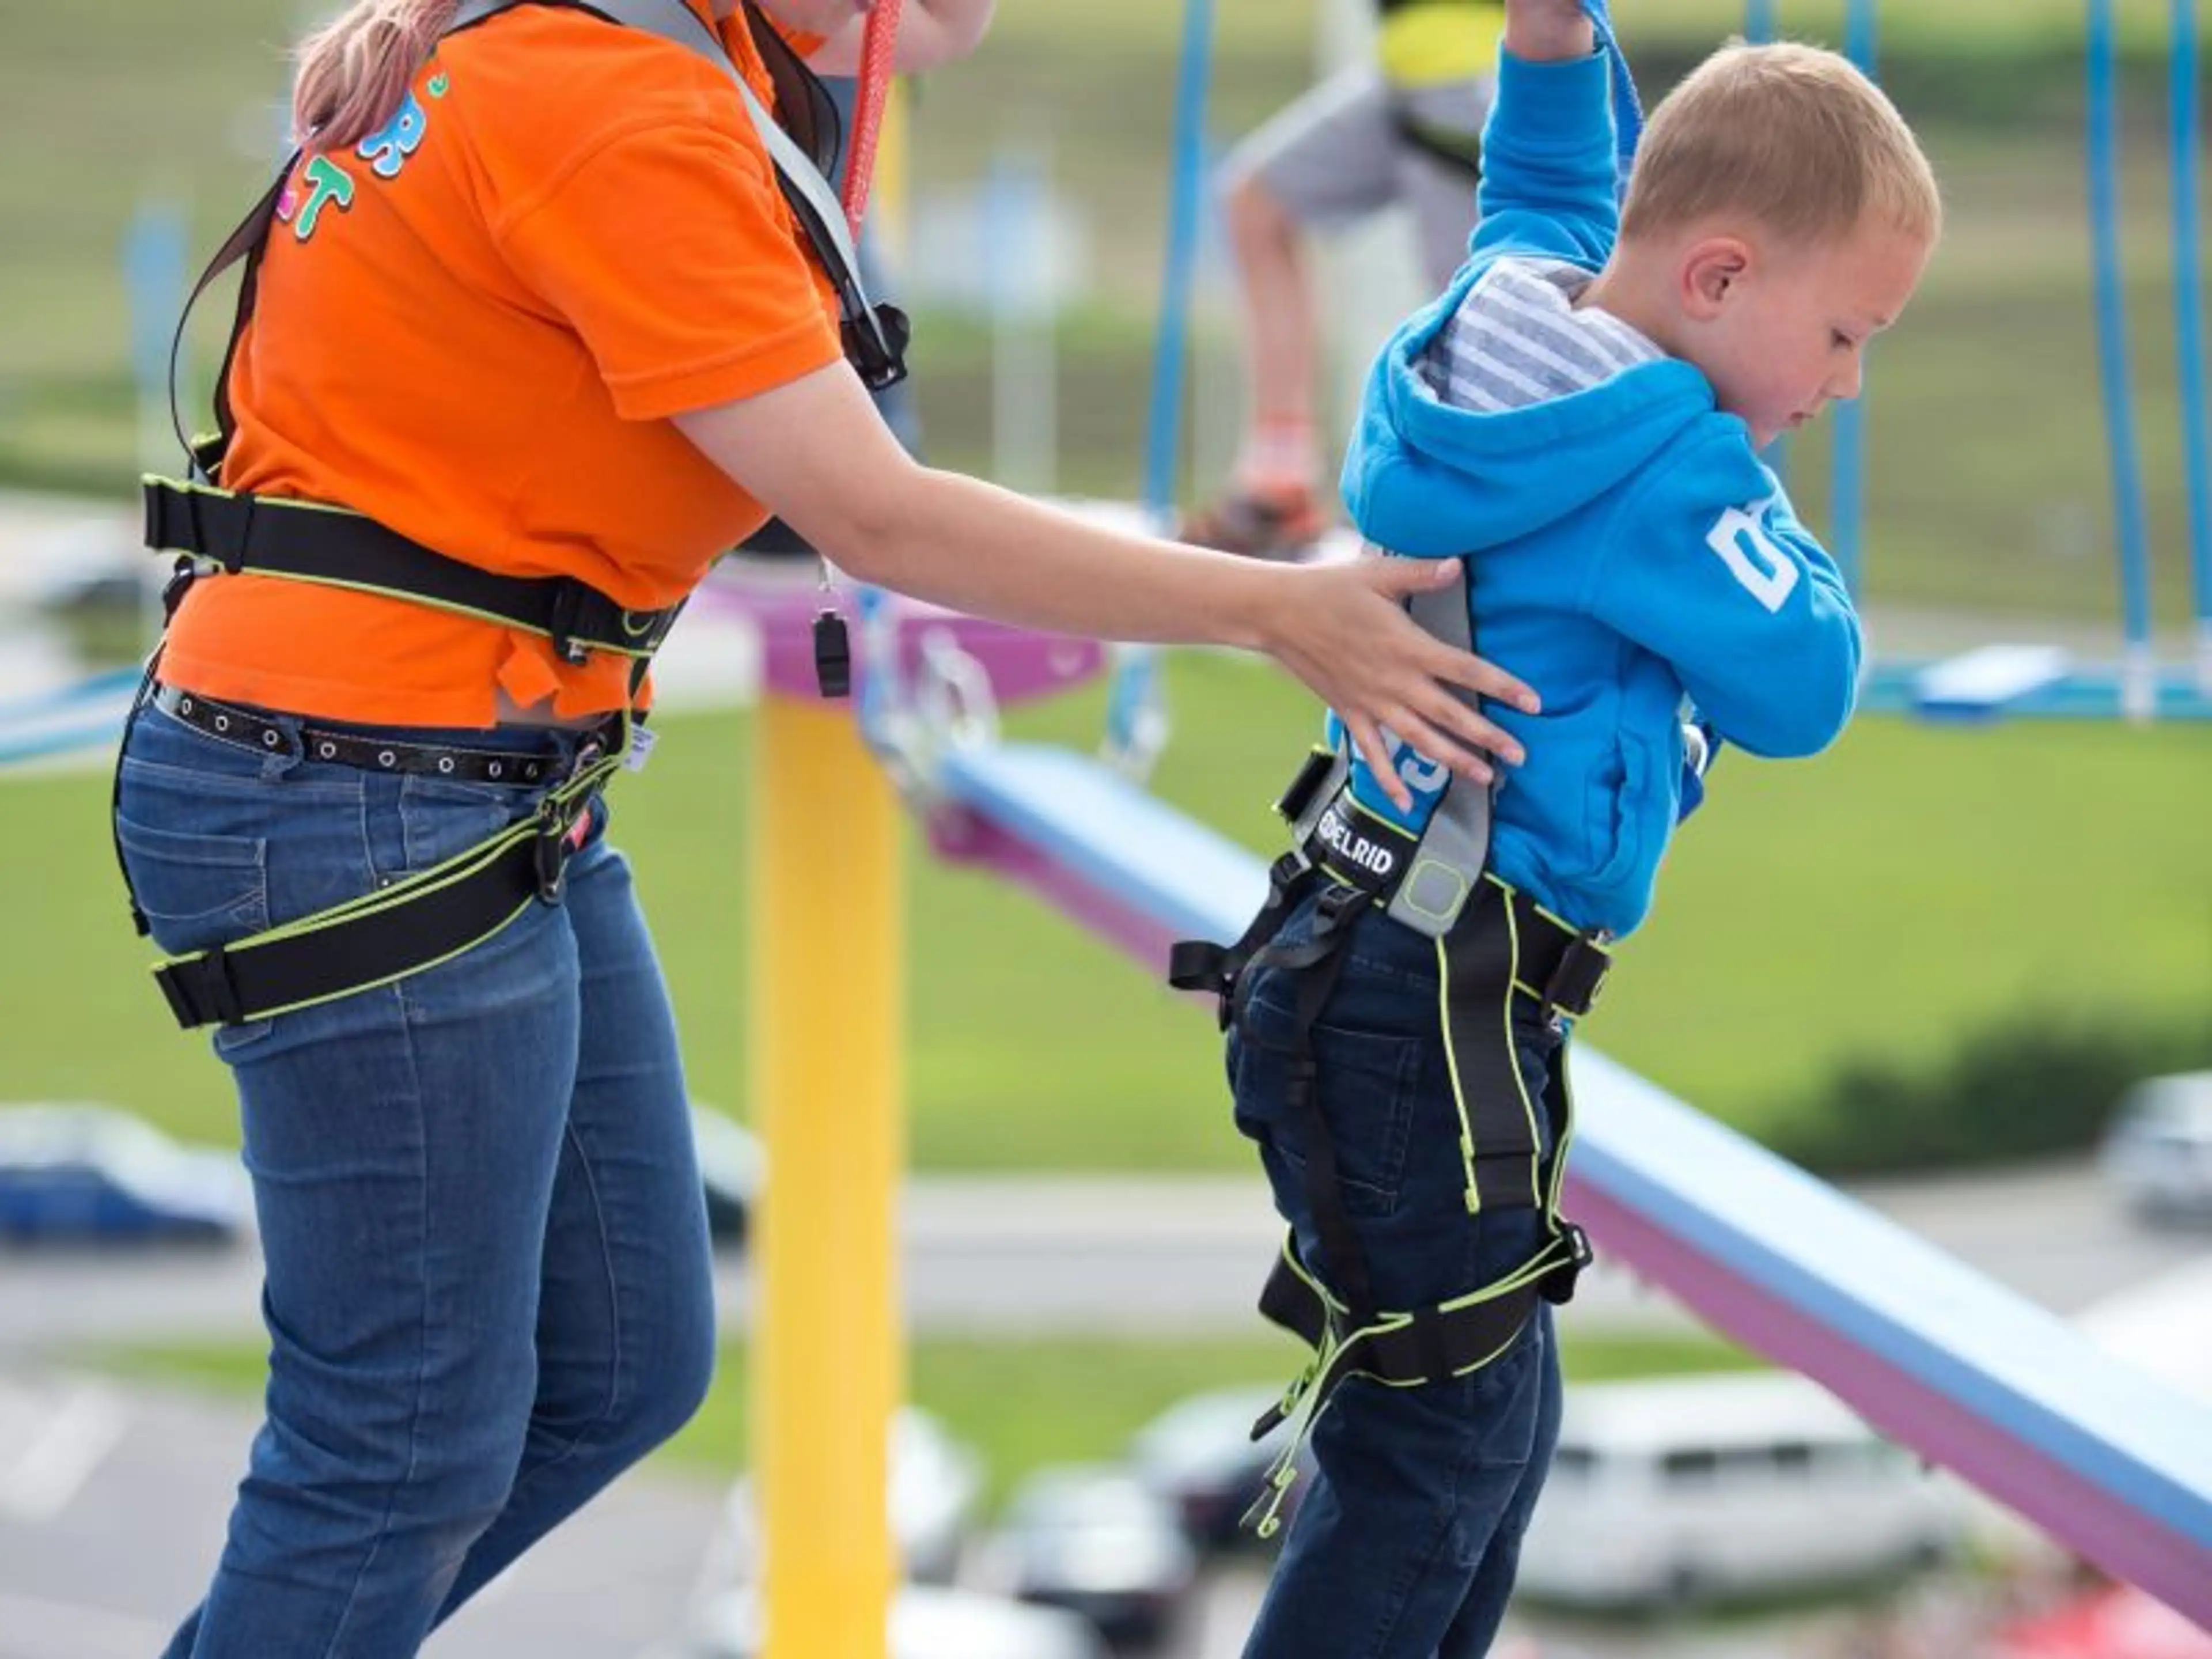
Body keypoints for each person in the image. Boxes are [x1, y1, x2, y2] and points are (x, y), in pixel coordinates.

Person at [113, 0, 1550, 1654]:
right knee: (399, 1448)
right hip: (364, 793)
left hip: (455, 779)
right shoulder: (618, 107)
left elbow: (926, 31)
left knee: (613, 1372)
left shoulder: (637, 43)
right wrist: (1281, 610)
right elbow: (872, 514)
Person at [1190, 3, 1942, 1655]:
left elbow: (1542, 175)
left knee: (1486, 1435)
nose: (1848, 383)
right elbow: (1806, 683)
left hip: (1373, 965)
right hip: (1428, 1008)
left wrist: (1553, 36)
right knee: (1437, 1448)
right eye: (1842, 337)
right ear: (1725, 282)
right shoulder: (1667, 474)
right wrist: (1740, 474)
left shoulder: (1506, 307)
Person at [1180, 0, 1505, 559]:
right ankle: (1279, 475)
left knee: (1480, 310)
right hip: (1409, 69)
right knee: (1257, 203)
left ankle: (1495, 521)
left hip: (1479, 67)